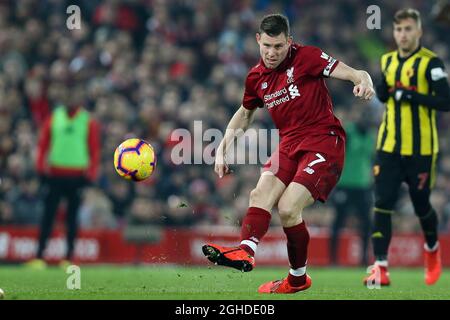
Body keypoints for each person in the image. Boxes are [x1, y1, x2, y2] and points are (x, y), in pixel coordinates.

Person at [202, 14, 375, 294]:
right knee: (259, 194)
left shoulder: (307, 57)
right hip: (288, 144)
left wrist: (363, 81)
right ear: (258, 40)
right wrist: (222, 149)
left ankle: (297, 278)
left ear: (289, 42)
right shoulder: (256, 77)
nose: (272, 53)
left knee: (287, 208)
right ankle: (246, 252)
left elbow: (354, 72)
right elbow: (245, 114)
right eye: (267, 46)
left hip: (323, 140)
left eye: (279, 47)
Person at [363, 8, 450, 286]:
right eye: (399, 29)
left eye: (408, 29)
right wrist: (385, 90)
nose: (403, 35)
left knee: (421, 205)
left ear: (419, 32)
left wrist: (410, 94)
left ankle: (432, 250)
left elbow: (446, 102)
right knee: (382, 204)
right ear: (394, 32)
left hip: (421, 150)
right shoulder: (387, 60)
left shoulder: (432, 63)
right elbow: (385, 92)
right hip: (388, 146)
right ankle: (380, 267)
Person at [26, 84, 101, 269]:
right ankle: (39, 257)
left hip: (77, 176)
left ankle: (68, 257)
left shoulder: (87, 120)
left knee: (72, 218)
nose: (71, 101)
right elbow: (43, 143)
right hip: (55, 174)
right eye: (69, 97)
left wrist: (91, 173)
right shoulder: (55, 117)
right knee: (48, 216)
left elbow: (94, 149)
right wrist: (40, 166)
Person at [329, 105, 375, 266]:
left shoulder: (370, 136)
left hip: (363, 185)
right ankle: (333, 259)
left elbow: (371, 160)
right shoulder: (348, 132)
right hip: (345, 184)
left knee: (366, 224)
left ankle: (363, 259)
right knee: (338, 222)